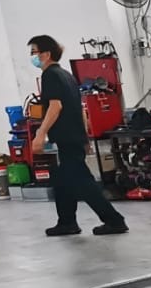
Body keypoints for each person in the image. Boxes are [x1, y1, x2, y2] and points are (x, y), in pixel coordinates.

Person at [28, 34, 128, 237]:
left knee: (82, 181)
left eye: (34, 52)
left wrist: (40, 133)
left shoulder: (50, 75)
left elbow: (55, 107)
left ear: (46, 54)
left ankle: (114, 220)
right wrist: (85, 136)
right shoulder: (66, 75)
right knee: (62, 180)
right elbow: (81, 109)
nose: (32, 57)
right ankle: (67, 222)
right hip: (73, 136)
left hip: (66, 136)